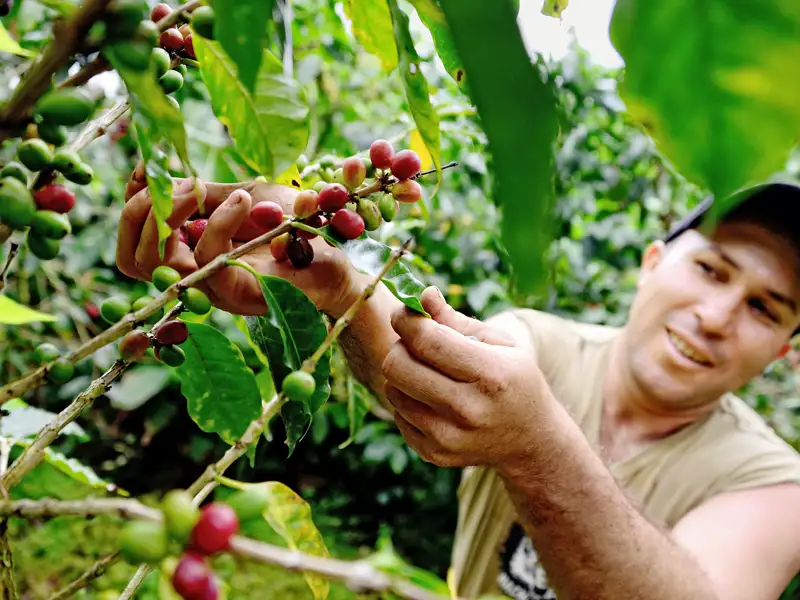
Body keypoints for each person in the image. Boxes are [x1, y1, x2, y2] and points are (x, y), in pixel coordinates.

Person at [118, 164, 800, 600]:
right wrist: (334, 286)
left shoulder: (776, 485)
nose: (716, 317)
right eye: (710, 269)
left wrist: (537, 446)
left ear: (780, 352)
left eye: (765, 308)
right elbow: (436, 372)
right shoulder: (545, 344)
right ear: (652, 263)